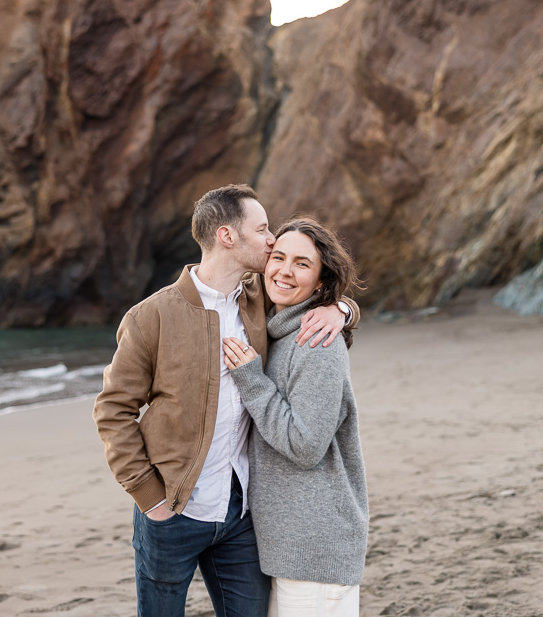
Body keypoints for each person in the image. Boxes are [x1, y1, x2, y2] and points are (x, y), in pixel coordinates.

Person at [93, 185, 359, 617]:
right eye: (263, 230)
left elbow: (310, 289)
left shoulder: (259, 301)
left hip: (241, 517)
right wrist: (148, 496)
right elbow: (113, 410)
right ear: (227, 236)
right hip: (172, 509)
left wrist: (341, 309)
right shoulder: (151, 317)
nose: (271, 240)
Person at [222, 217, 369, 617]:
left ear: (321, 282)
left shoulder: (316, 342)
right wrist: (344, 308)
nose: (285, 270)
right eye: (279, 257)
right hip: (288, 547)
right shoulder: (277, 329)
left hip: (315, 549)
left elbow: (306, 447)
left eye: (302, 264)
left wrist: (252, 381)